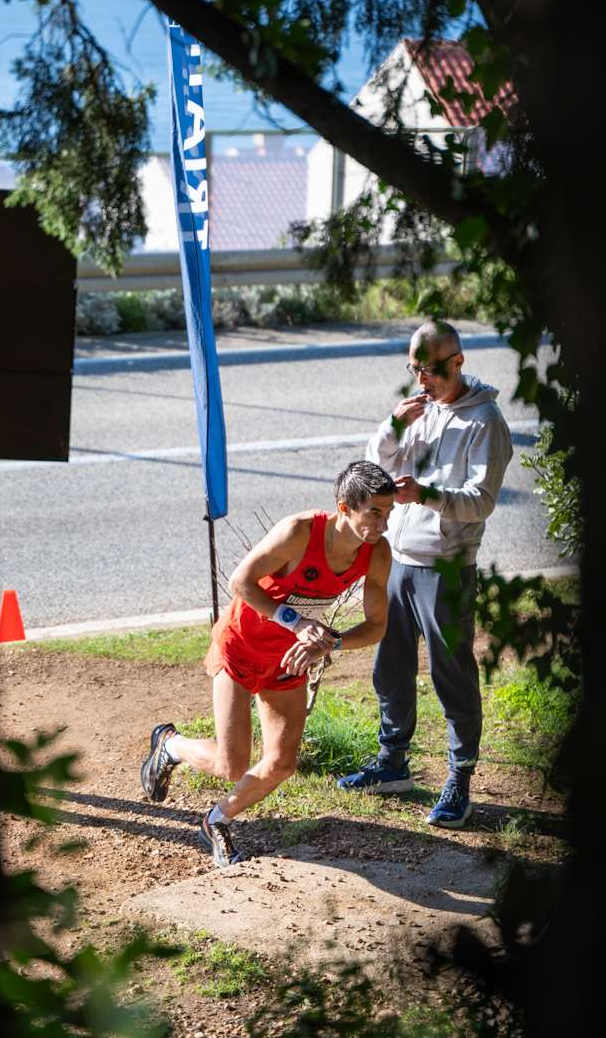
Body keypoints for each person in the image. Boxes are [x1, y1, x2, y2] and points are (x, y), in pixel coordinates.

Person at [140, 461, 397, 867]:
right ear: (344, 508)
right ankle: (170, 745)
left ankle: (215, 820)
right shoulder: (299, 532)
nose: (383, 524)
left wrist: (329, 643)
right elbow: (240, 582)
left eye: (389, 512)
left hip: (288, 658)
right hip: (241, 646)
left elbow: (377, 626)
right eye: (375, 513)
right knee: (231, 764)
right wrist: (296, 622)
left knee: (281, 763)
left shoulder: (377, 553)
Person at [337, 321, 513, 828]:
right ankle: (392, 764)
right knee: (389, 667)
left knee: (450, 674)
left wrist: (427, 495)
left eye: (429, 370)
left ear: (457, 362)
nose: (421, 380)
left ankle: (460, 779)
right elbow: (376, 468)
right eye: (414, 369)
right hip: (399, 558)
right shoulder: (421, 409)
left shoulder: (485, 421)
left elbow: (482, 501)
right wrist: (393, 426)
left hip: (447, 567)